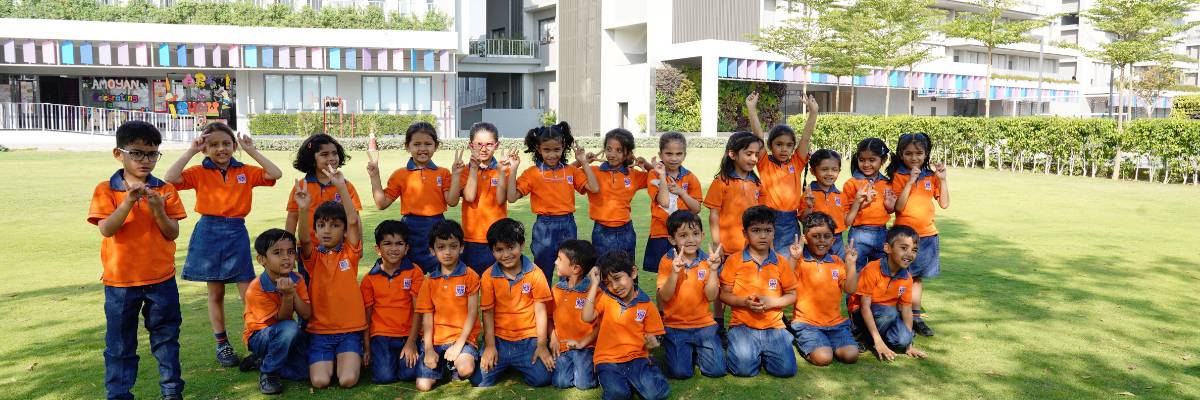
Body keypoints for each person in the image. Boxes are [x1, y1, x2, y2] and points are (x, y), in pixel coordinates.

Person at [164, 121, 281, 367]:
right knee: (215, 292)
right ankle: (222, 344)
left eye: (226, 143)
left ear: (234, 145)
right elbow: (170, 178)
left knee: (248, 292)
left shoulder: (245, 171)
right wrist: (191, 151)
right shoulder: (199, 171)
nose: (221, 149)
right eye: (213, 145)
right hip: (209, 231)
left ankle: (257, 341)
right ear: (205, 148)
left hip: (236, 231)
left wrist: (251, 151)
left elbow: (275, 173)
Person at [88, 121, 188, 400]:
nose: (146, 160)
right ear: (118, 154)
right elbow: (106, 229)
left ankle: (171, 392)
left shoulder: (165, 190)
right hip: (120, 283)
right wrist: (128, 202)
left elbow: (171, 233)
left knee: (166, 339)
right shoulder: (106, 189)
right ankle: (119, 394)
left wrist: (158, 210)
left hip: (161, 279)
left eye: (153, 154)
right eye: (137, 153)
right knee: (120, 345)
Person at [293, 167, 366, 389]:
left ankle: (348, 357)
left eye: (334, 225)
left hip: (349, 331)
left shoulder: (350, 253)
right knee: (320, 381)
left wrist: (341, 186)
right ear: (315, 229)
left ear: (343, 231)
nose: (327, 231)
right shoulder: (313, 257)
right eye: (321, 225)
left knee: (347, 380)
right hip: (320, 332)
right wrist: (303, 210)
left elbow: (353, 222)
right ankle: (328, 359)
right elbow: (304, 240)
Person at [508, 122, 600, 282]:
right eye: (547, 150)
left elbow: (594, 188)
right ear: (538, 149)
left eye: (556, 150)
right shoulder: (532, 173)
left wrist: (584, 162)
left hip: (568, 225)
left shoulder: (571, 171)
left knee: (569, 273)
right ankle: (543, 306)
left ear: (564, 147)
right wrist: (513, 169)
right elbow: (511, 197)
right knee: (543, 274)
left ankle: (565, 305)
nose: (552, 155)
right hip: (544, 228)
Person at [367, 122, 464, 273]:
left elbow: (452, 201)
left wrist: (456, 175)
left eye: (428, 144)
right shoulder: (400, 174)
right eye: (417, 144)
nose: (422, 149)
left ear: (435, 146)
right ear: (408, 146)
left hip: (437, 226)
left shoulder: (443, 173)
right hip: (410, 228)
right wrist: (375, 177)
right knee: (409, 273)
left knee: (439, 271)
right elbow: (382, 203)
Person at [719, 205, 798, 378]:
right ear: (745, 234)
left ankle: (765, 350)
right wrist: (744, 302)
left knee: (786, 371)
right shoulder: (734, 260)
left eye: (768, 230)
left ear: (774, 232)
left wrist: (772, 303)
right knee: (743, 370)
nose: (763, 236)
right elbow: (724, 294)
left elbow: (792, 295)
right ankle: (750, 351)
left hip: (774, 326)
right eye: (756, 230)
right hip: (742, 325)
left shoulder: (781, 262)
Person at [582, 251, 669, 400]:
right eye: (608, 283)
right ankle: (627, 383)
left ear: (633, 272)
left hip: (637, 358)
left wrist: (653, 343)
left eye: (617, 278)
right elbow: (586, 317)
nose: (614, 286)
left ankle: (650, 372)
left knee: (655, 394)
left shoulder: (647, 305)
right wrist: (595, 285)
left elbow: (653, 340)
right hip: (607, 360)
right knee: (618, 394)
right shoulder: (606, 298)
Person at [478, 218, 555, 387]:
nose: (506, 255)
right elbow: (487, 312)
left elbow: (541, 311)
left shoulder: (535, 273)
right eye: (499, 250)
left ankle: (519, 362)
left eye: (511, 247)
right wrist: (490, 346)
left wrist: (542, 345)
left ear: (521, 244)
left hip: (528, 339)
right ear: (492, 251)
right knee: (479, 380)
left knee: (542, 379)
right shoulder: (488, 276)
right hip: (499, 339)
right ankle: (502, 360)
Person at [703, 131, 764, 341]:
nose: (753, 159)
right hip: (727, 247)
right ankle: (718, 323)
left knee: (746, 284)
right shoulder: (721, 182)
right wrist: (717, 244)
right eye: (748, 154)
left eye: (756, 154)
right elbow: (713, 215)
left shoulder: (757, 183)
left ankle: (744, 322)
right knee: (721, 285)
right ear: (732, 154)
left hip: (750, 248)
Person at [887, 133, 950, 337]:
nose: (914, 158)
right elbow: (899, 206)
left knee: (916, 279)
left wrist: (942, 180)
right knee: (901, 277)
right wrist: (910, 182)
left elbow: (945, 203)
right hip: (903, 236)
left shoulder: (931, 176)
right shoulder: (898, 176)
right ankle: (899, 315)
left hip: (927, 236)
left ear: (926, 154)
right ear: (901, 155)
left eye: (919, 153)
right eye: (909, 154)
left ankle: (915, 317)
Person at [655, 211, 725, 379]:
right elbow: (664, 296)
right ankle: (683, 349)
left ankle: (696, 350)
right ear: (672, 240)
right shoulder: (667, 261)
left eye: (695, 234)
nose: (690, 240)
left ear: (702, 235)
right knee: (681, 372)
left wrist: (714, 271)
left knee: (716, 370)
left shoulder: (708, 260)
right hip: (676, 326)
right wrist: (674, 273)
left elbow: (711, 296)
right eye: (683, 235)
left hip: (704, 325)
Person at [414, 220, 482, 391]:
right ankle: (443, 365)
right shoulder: (429, 281)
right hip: (436, 340)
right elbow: (427, 319)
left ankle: (456, 365)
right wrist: (429, 349)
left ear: (461, 248)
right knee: (423, 386)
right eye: (441, 247)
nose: (447, 252)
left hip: (462, 338)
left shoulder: (470, 276)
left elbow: (473, 313)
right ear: (432, 250)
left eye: (453, 246)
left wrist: (459, 344)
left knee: (466, 369)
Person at [745, 91, 818, 251]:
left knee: (790, 260)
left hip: (791, 220)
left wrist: (813, 112)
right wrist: (751, 109)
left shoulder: (797, 162)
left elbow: (805, 138)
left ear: (793, 147)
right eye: (779, 144)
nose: (784, 149)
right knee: (768, 259)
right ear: (770, 146)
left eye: (789, 145)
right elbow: (758, 136)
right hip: (767, 219)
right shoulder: (764, 162)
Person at [243, 229, 312, 394]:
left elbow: (307, 314)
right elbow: (283, 320)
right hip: (260, 336)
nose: (286, 257)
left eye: (290, 252)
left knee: (306, 372)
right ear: (262, 260)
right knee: (289, 328)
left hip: (287, 335)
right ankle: (268, 372)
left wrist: (293, 292)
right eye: (277, 253)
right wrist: (288, 296)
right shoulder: (256, 288)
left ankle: (261, 361)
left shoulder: (297, 279)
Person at [788, 212, 859, 367]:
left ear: (833, 240)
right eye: (816, 236)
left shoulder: (837, 262)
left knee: (851, 355)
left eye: (827, 236)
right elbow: (785, 283)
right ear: (805, 239)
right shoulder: (799, 261)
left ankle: (827, 342)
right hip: (807, 323)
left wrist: (851, 264)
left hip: (836, 324)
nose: (822, 241)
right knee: (823, 358)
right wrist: (793, 258)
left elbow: (850, 289)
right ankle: (806, 340)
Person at [850, 225, 928, 361]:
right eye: (904, 248)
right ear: (887, 248)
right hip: (862, 312)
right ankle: (865, 339)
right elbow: (864, 307)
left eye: (914, 250)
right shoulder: (872, 269)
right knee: (889, 313)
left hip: (888, 315)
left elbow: (906, 309)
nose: (909, 254)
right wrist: (878, 342)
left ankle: (879, 335)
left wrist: (909, 343)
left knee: (902, 340)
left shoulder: (907, 277)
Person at [360, 220, 425, 384]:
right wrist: (367, 348)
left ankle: (408, 355)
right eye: (387, 243)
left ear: (406, 248)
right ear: (378, 249)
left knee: (409, 375)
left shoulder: (415, 272)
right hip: (381, 336)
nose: (394, 249)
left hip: (407, 335)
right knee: (384, 377)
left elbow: (419, 310)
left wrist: (411, 343)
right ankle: (385, 359)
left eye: (399, 244)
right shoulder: (369, 279)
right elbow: (366, 316)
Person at [579, 128, 649, 259]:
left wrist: (646, 164)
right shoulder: (593, 171)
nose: (612, 154)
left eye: (619, 150)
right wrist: (582, 161)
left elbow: (659, 175)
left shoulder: (633, 174)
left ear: (628, 153)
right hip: (601, 231)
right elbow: (568, 172)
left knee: (626, 271)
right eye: (609, 149)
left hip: (626, 231)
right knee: (602, 271)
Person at [643, 132, 703, 272]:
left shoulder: (690, 177)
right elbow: (664, 202)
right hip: (661, 234)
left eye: (678, 154)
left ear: (684, 155)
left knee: (686, 271)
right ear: (661, 154)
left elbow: (696, 209)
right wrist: (663, 176)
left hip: (684, 235)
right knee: (664, 274)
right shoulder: (654, 174)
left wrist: (682, 192)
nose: (674, 158)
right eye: (669, 154)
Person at [458, 122, 511, 272]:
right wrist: (474, 169)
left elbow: (501, 200)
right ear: (470, 145)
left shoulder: (503, 170)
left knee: (496, 286)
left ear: (497, 145)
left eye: (489, 144)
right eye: (478, 144)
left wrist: (501, 172)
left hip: (497, 239)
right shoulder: (463, 170)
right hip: (471, 239)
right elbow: (469, 197)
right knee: (472, 286)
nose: (483, 148)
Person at [549, 240, 600, 390]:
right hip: (563, 346)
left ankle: (600, 367)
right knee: (561, 382)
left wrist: (584, 343)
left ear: (576, 268)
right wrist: (553, 338)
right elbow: (549, 318)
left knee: (583, 384)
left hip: (587, 347)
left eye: (560, 259)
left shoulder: (594, 292)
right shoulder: (556, 290)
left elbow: (602, 324)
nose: (555, 262)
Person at [843, 138, 894, 271]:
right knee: (855, 272)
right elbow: (847, 215)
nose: (866, 164)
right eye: (862, 160)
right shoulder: (851, 183)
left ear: (882, 160)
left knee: (880, 273)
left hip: (882, 234)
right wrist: (861, 203)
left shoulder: (887, 183)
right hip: (859, 234)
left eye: (872, 160)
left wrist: (890, 206)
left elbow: (888, 210)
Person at [800, 149, 849, 258]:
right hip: (816, 240)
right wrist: (809, 206)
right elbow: (804, 219)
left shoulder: (841, 195)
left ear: (839, 170)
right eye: (824, 169)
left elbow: (847, 220)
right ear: (813, 171)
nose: (830, 173)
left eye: (834, 169)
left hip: (837, 239)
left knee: (839, 267)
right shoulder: (808, 195)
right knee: (815, 268)